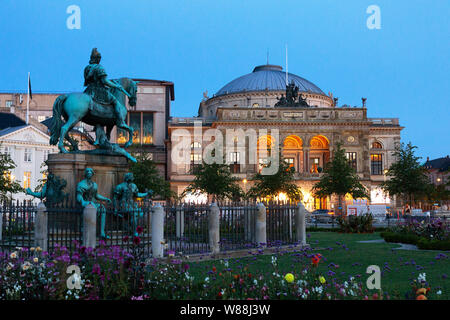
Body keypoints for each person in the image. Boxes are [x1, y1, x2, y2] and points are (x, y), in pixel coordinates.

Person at [83, 48, 129, 127]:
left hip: (89, 90)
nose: (100, 60)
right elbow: (105, 81)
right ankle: (120, 121)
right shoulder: (99, 68)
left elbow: (86, 80)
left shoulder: (87, 68)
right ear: (97, 59)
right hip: (99, 91)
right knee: (115, 102)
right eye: (99, 58)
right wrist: (116, 86)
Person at [76, 167, 111, 239]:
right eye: (87, 171)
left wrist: (105, 199)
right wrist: (83, 202)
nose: (89, 172)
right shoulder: (81, 184)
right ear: (85, 173)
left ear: (92, 174)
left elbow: (96, 195)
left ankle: (102, 232)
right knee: (92, 207)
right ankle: (88, 231)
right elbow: (79, 196)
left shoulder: (95, 185)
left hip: (93, 203)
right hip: (85, 203)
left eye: (90, 171)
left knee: (102, 209)